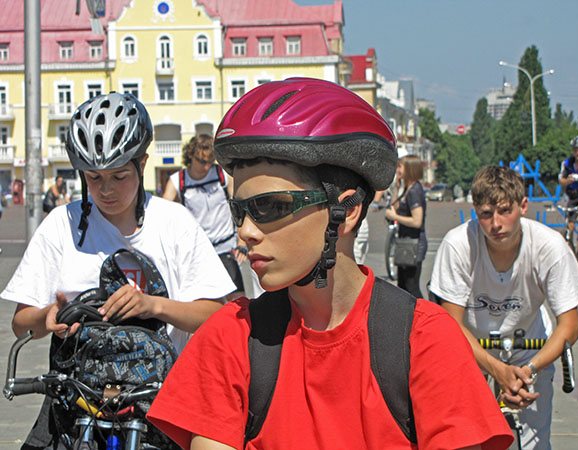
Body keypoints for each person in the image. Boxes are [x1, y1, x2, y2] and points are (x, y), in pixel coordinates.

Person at [147, 78, 513, 450]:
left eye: (269, 206)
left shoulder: (425, 340)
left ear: (347, 211)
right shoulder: (230, 338)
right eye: (239, 211)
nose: (246, 232)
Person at [1, 92, 236, 448]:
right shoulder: (61, 225)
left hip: (160, 407)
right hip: (79, 407)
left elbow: (215, 315)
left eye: (119, 176)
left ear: (142, 164)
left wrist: (153, 305)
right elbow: (22, 323)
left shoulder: (174, 223)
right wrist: (46, 318)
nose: (106, 190)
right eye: (93, 178)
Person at [429, 165, 578, 450]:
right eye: (486, 214)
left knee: (536, 442)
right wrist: (496, 369)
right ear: (475, 211)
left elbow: (570, 325)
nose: (496, 223)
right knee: (467, 439)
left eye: (505, 211)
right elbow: (450, 324)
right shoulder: (458, 244)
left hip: (530, 346)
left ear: (523, 206)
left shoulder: (549, 246)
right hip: (471, 345)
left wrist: (530, 370)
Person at [163, 133, 247, 300]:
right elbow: (163, 213)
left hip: (226, 247)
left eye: (210, 161)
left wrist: (242, 241)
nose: (207, 167)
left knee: (238, 300)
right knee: (206, 302)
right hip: (199, 250)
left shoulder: (222, 175)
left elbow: (239, 206)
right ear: (190, 156)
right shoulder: (178, 180)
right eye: (202, 161)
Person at [385, 154, 427, 297]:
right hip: (405, 242)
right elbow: (395, 206)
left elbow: (417, 221)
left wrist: (395, 217)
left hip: (414, 244)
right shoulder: (408, 188)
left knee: (411, 286)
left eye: (400, 167)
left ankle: (422, 310)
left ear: (410, 169)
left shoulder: (415, 191)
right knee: (402, 286)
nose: (397, 170)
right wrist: (397, 187)